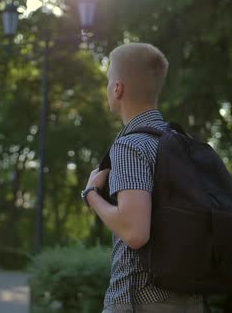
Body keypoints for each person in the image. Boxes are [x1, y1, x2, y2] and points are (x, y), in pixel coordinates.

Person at [82, 43, 204, 313]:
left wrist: (91, 194)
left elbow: (135, 232)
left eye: (108, 81)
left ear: (118, 88)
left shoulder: (130, 146)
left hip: (138, 301)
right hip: (188, 299)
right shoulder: (181, 143)